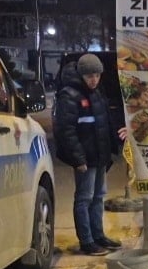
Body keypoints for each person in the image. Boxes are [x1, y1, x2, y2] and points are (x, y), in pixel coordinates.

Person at [53, 54, 124, 256]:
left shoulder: (97, 93)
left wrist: (112, 148)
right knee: (85, 198)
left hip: (100, 156)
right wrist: (78, 159)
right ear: (81, 75)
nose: (94, 80)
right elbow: (66, 131)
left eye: (97, 75)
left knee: (99, 196)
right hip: (85, 158)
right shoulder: (69, 95)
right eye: (90, 76)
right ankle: (87, 241)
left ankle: (98, 235)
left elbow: (105, 123)